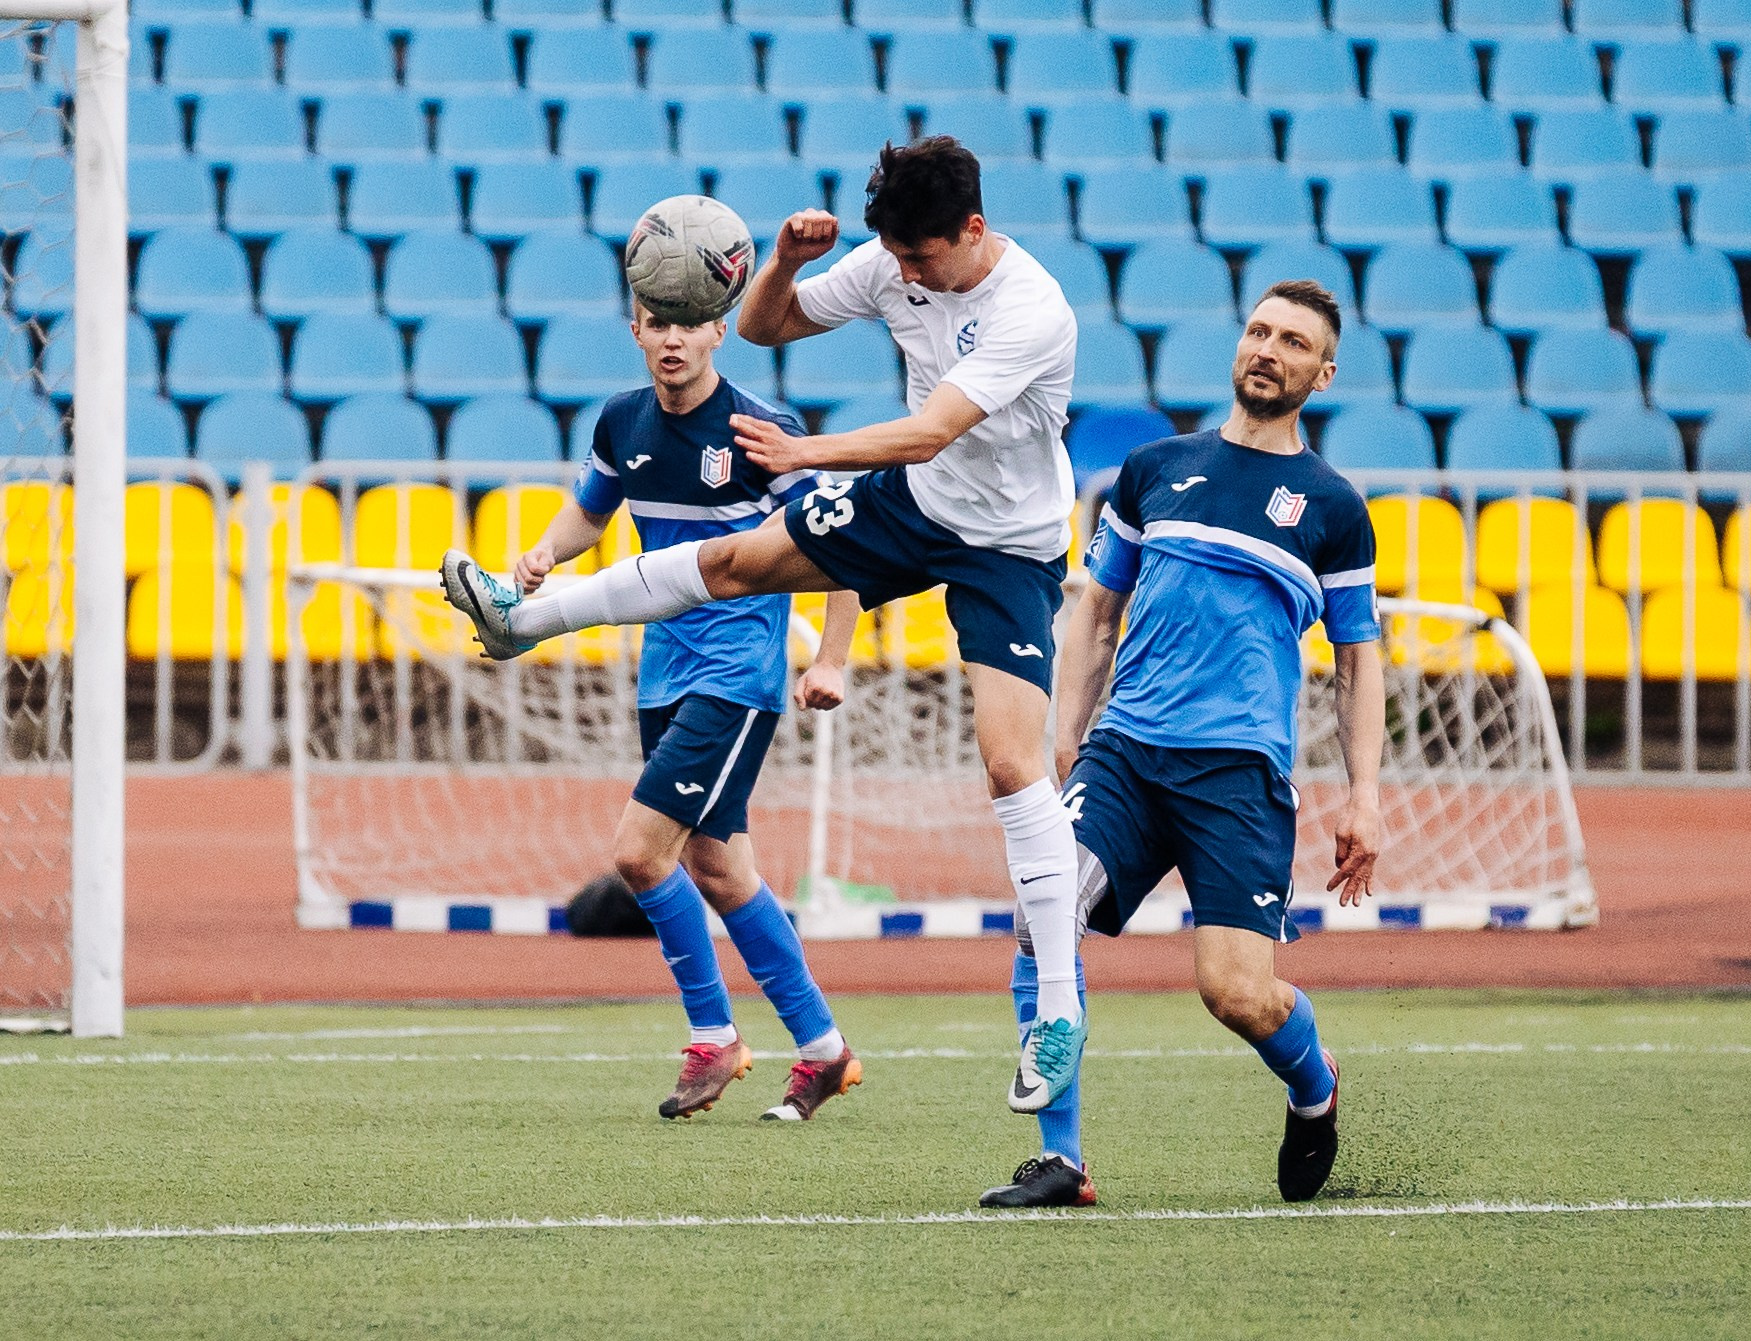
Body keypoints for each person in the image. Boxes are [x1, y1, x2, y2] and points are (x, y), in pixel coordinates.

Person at [441, 136, 1090, 1114]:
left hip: (1006, 545)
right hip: (915, 507)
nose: (904, 276)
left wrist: (802, 454)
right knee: (729, 563)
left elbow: (927, 430)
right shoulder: (886, 262)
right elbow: (767, 328)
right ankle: (520, 621)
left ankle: (1056, 1004)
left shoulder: (1031, 309)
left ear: (972, 230)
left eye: (920, 260)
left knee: (1008, 764)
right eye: (894, 260)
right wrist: (785, 261)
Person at [979, 281, 1385, 1209]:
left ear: (1321, 373)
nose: (1267, 348)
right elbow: (1095, 609)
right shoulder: (1157, 466)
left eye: (1292, 341)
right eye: (1257, 329)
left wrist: (1364, 795)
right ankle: (1062, 1160)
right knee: (1046, 916)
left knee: (1236, 991)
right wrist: (1068, 733)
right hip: (1125, 753)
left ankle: (1314, 1088)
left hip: (1237, 776)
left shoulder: (1331, 505)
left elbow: (1360, 662)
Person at [486, 298, 865, 1123]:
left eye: (689, 324)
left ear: (718, 332)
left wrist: (830, 657)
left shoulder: (762, 429)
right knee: (723, 870)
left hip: (736, 676)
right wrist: (545, 553)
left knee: (637, 852)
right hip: (664, 672)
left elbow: (841, 550)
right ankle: (827, 1051)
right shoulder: (623, 421)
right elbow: (591, 511)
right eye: (656, 322)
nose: (672, 338)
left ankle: (713, 1036)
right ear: (633, 330)